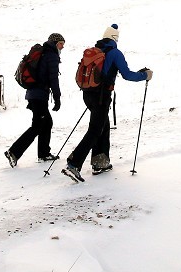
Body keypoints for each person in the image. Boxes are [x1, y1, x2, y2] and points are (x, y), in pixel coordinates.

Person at [62, 24, 151, 182]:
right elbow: (127, 74)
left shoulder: (96, 50)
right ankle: (73, 164)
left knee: (103, 125)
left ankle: (100, 162)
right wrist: (144, 75)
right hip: (101, 97)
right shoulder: (115, 53)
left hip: (88, 95)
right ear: (115, 38)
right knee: (95, 130)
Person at [5, 33, 65, 167]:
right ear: (55, 43)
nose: (63, 47)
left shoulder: (44, 53)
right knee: (38, 125)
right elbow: (53, 79)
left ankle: (44, 154)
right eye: (61, 44)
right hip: (39, 95)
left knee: (46, 122)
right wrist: (57, 98)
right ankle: (13, 152)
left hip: (33, 94)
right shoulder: (51, 56)